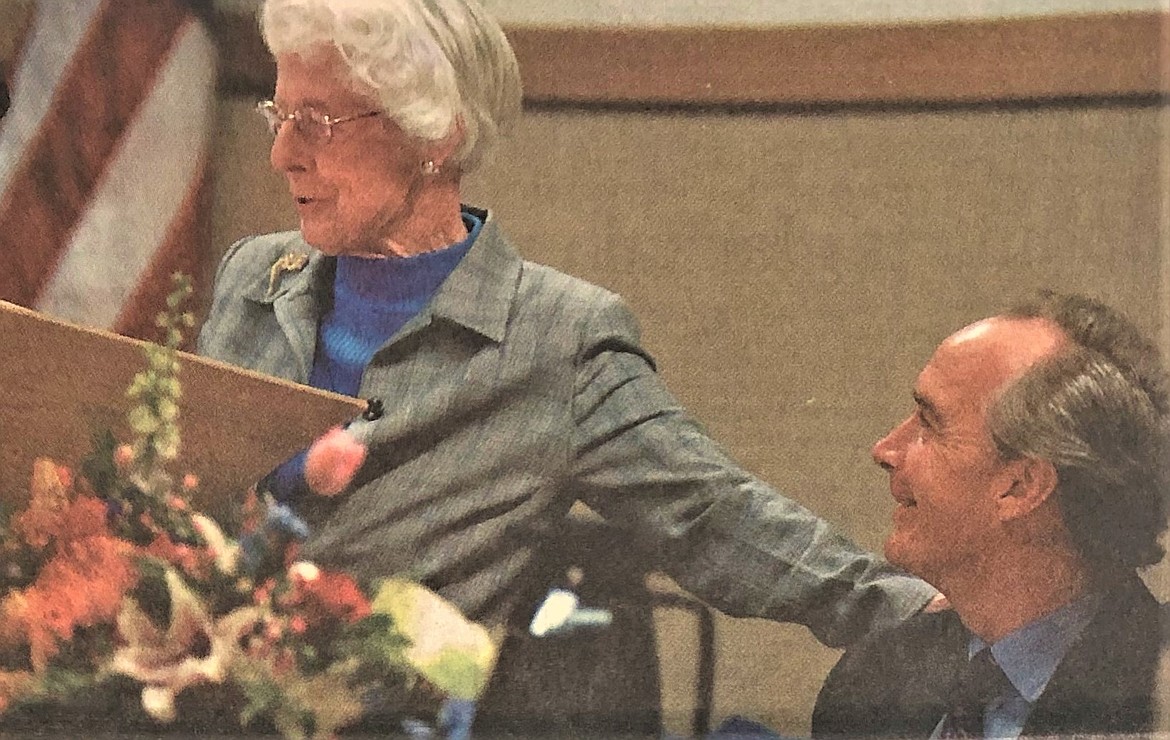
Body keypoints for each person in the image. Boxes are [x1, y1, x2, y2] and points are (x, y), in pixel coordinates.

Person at [198, 0, 935, 657]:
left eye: (316, 123)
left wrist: (932, 620)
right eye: (279, 116)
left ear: (436, 138)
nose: (281, 154)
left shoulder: (558, 337)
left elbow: (716, 516)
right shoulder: (253, 278)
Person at [812, 291, 1169, 738]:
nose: (885, 450)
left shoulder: (1152, 705)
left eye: (929, 424)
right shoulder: (875, 678)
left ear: (1021, 487)